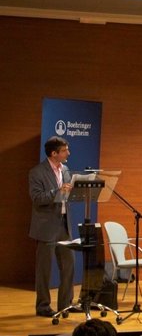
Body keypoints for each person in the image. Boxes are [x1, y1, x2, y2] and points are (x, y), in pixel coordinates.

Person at [29, 136, 75, 317]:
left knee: (69, 265)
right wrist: (58, 191)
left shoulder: (66, 170)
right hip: (46, 227)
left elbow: (67, 195)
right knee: (44, 270)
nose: (68, 153)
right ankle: (43, 306)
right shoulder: (37, 172)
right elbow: (37, 198)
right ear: (54, 153)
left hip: (64, 225)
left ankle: (66, 305)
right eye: (65, 150)